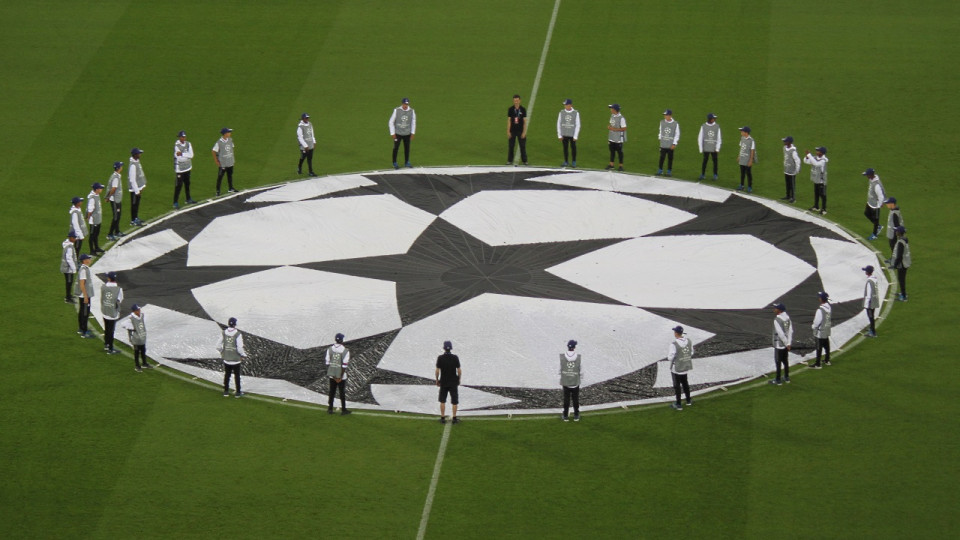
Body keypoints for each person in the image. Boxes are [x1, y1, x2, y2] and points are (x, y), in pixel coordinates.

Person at [217, 317, 246, 396]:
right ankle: (238, 392)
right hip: (236, 359)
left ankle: (226, 391)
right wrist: (243, 355)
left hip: (226, 359)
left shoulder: (224, 332)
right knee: (237, 376)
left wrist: (222, 352)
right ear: (235, 324)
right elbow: (239, 347)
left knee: (227, 375)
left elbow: (218, 346)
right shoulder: (238, 334)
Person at [435, 340, 461, 424]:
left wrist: (437, 379)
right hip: (453, 382)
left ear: (444, 348)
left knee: (442, 400)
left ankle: (442, 418)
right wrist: (459, 379)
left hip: (444, 381)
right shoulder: (455, 357)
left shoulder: (440, 358)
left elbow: (437, 371)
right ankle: (454, 418)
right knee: (454, 401)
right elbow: (459, 370)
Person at [668, 325, 694, 410]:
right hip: (685, 366)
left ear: (676, 333)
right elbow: (692, 352)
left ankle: (678, 404)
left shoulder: (674, 344)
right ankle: (688, 400)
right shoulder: (689, 341)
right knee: (685, 383)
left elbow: (670, 357)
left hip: (677, 368)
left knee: (677, 386)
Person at [325, 332, 351, 415]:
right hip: (341, 376)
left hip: (332, 375)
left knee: (331, 391)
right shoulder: (345, 351)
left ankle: (330, 409)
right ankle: (343, 410)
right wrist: (339, 376)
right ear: (342, 340)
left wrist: (333, 375)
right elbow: (344, 365)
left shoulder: (329, 349)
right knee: (342, 393)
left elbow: (327, 363)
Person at [119, 304, 151, 371]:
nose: (139, 311)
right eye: (137, 310)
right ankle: (137, 366)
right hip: (136, 339)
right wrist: (132, 328)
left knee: (143, 351)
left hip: (142, 337)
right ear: (134, 311)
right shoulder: (131, 318)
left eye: (139, 309)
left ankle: (144, 363)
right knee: (136, 352)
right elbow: (123, 324)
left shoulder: (142, 315)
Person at [769, 303, 793, 385]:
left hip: (779, 344)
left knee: (778, 362)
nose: (774, 309)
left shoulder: (777, 320)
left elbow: (780, 334)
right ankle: (786, 377)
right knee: (785, 361)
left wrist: (786, 343)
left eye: (775, 308)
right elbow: (790, 331)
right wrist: (789, 343)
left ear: (779, 310)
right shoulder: (788, 318)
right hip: (786, 345)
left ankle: (778, 380)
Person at [389, 98, 416, 169]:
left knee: (407, 148)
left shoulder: (412, 111)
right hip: (398, 133)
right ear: (402, 104)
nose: (405, 106)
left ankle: (407, 162)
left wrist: (412, 133)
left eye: (407, 104)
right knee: (396, 148)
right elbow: (391, 122)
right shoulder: (397, 110)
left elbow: (413, 122)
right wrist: (392, 133)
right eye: (404, 104)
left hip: (407, 133)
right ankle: (394, 162)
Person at [100, 271, 123, 354]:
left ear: (109, 278)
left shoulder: (103, 287)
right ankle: (110, 348)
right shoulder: (118, 289)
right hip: (113, 312)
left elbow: (102, 297)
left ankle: (106, 344)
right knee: (111, 330)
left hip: (105, 311)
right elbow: (119, 300)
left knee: (106, 329)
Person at [559, 339, 582, 421]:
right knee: (575, 399)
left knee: (566, 399)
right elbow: (580, 370)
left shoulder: (562, 356)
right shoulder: (578, 357)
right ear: (574, 347)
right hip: (575, 382)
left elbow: (561, 369)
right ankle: (576, 415)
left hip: (566, 382)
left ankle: (565, 415)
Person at [173, 130, 196, 209]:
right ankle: (175, 202)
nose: (183, 138)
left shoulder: (188, 144)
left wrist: (183, 154)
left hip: (187, 167)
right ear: (179, 138)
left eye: (184, 137)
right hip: (180, 169)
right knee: (178, 186)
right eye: (182, 137)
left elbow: (192, 155)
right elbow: (179, 159)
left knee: (187, 184)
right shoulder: (176, 146)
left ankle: (188, 198)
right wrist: (187, 156)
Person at [804, 146, 828, 215]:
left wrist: (809, 155)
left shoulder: (823, 160)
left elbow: (816, 164)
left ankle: (824, 209)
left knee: (822, 195)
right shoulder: (815, 158)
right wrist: (807, 157)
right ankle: (816, 206)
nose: (817, 152)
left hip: (821, 181)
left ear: (822, 153)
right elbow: (806, 161)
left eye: (818, 151)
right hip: (816, 179)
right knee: (816, 193)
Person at [863, 168, 886, 240]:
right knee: (866, 213)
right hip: (870, 202)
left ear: (870, 175)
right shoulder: (871, 180)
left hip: (875, 205)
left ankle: (874, 235)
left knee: (876, 220)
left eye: (867, 175)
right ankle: (879, 226)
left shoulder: (876, 185)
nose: (866, 176)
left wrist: (879, 205)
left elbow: (881, 196)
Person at [811, 292, 832, 368]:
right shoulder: (829, 307)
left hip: (820, 331)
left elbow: (817, 322)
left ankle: (818, 364)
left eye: (819, 297)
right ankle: (827, 360)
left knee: (819, 347)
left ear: (821, 299)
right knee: (826, 345)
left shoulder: (820, 310)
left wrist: (813, 326)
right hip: (827, 328)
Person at [213, 128, 237, 195]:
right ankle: (218, 191)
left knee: (230, 176)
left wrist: (232, 158)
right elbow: (213, 151)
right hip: (223, 163)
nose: (230, 133)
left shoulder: (230, 139)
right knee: (220, 177)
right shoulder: (219, 142)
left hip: (230, 162)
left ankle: (230, 188)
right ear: (225, 134)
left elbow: (232, 148)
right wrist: (216, 161)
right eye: (229, 132)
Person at [556, 98, 580, 167]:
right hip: (564, 134)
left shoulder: (576, 113)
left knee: (573, 148)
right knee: (565, 148)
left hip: (572, 134)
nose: (565, 106)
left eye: (566, 105)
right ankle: (566, 161)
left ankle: (574, 161)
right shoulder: (561, 112)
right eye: (565, 105)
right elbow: (558, 123)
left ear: (570, 105)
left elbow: (578, 124)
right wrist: (559, 135)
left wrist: (576, 136)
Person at [697, 113, 721, 181]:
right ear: (710, 119)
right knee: (705, 161)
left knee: (715, 161)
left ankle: (715, 174)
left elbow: (719, 138)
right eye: (713, 118)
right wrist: (701, 148)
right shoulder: (703, 126)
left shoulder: (717, 126)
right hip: (706, 147)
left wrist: (717, 148)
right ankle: (703, 174)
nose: (714, 119)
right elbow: (700, 137)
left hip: (714, 148)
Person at [890, 226, 911, 302]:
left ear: (899, 233)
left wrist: (895, 265)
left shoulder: (900, 242)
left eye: (896, 231)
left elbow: (899, 255)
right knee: (902, 279)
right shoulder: (904, 239)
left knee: (901, 279)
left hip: (902, 263)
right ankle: (903, 293)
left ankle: (904, 296)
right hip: (905, 262)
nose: (895, 232)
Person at [76, 254, 94, 338]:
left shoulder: (84, 269)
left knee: (82, 312)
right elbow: (82, 284)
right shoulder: (84, 270)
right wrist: (86, 296)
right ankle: (84, 331)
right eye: (88, 259)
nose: (90, 260)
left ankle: (81, 328)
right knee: (85, 313)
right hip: (84, 295)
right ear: (84, 260)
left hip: (83, 295)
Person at [507, 95, 528, 165]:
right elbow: (509, 121)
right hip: (512, 130)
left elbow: (525, 121)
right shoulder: (510, 109)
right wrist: (508, 131)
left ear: (520, 100)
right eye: (515, 100)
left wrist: (524, 132)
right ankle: (509, 160)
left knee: (522, 146)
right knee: (511, 146)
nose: (516, 102)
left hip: (520, 130)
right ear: (513, 101)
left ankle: (525, 161)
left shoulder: (523, 109)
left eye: (517, 100)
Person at [657, 109, 679, 176]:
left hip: (670, 144)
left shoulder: (675, 124)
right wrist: (660, 139)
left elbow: (677, 134)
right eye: (665, 115)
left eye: (666, 115)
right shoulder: (662, 122)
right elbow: (660, 131)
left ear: (670, 116)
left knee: (670, 158)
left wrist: (674, 143)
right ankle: (660, 170)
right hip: (663, 144)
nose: (665, 116)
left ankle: (669, 171)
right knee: (662, 157)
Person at [105, 161, 124, 241]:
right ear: (118, 168)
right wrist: (108, 197)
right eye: (121, 166)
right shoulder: (115, 177)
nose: (122, 167)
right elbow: (113, 189)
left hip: (117, 199)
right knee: (116, 217)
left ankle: (117, 231)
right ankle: (110, 234)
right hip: (115, 200)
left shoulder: (116, 176)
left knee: (118, 216)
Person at [128, 147, 147, 226]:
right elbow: (132, 179)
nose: (140, 154)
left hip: (138, 188)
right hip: (135, 190)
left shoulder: (136, 162)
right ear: (135, 155)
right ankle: (133, 220)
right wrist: (137, 191)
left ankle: (136, 217)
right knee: (134, 204)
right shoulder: (133, 165)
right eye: (139, 153)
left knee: (136, 204)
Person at [85, 182, 105, 255]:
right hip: (93, 220)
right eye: (100, 188)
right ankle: (92, 250)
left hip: (97, 219)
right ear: (96, 189)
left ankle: (96, 247)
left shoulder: (96, 195)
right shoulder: (92, 198)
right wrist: (88, 218)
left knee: (96, 234)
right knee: (92, 235)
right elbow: (90, 210)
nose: (101, 190)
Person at [606, 104, 626, 171]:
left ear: (615, 110)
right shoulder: (612, 116)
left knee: (619, 152)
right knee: (612, 152)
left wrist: (614, 129)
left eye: (611, 109)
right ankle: (611, 165)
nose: (610, 110)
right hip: (611, 137)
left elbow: (624, 128)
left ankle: (621, 166)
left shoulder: (621, 118)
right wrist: (609, 127)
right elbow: (611, 124)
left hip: (618, 139)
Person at [883, 197, 905, 262]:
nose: (887, 205)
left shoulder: (894, 213)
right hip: (892, 232)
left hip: (894, 233)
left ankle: (895, 259)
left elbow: (896, 224)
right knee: (893, 246)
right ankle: (894, 258)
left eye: (888, 203)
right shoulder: (893, 211)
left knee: (894, 246)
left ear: (892, 204)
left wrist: (897, 233)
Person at [782, 136, 801, 203]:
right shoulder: (784, 148)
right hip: (786, 169)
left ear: (789, 142)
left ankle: (793, 198)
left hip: (792, 171)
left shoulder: (793, 151)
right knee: (787, 183)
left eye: (785, 141)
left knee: (792, 184)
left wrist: (797, 169)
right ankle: (788, 195)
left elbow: (797, 160)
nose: (784, 142)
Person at [736, 126, 755, 192]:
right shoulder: (742, 138)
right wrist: (739, 156)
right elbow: (741, 148)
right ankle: (742, 185)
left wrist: (751, 160)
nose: (741, 132)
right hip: (742, 158)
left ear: (746, 133)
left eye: (742, 131)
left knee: (748, 173)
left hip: (747, 159)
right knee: (742, 172)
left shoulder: (751, 140)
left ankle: (750, 187)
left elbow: (752, 151)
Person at [862, 265, 879, 337]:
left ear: (867, 272)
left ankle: (873, 332)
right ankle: (872, 329)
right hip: (875, 300)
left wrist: (866, 304)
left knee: (870, 316)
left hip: (870, 302)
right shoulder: (874, 279)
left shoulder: (869, 281)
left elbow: (868, 294)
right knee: (872, 315)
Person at [61, 230, 78, 303]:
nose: (75, 239)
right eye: (74, 238)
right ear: (71, 238)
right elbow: (69, 259)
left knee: (69, 282)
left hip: (67, 268)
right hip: (68, 268)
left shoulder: (67, 244)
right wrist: (74, 268)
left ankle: (69, 295)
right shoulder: (69, 247)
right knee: (69, 282)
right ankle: (67, 298)